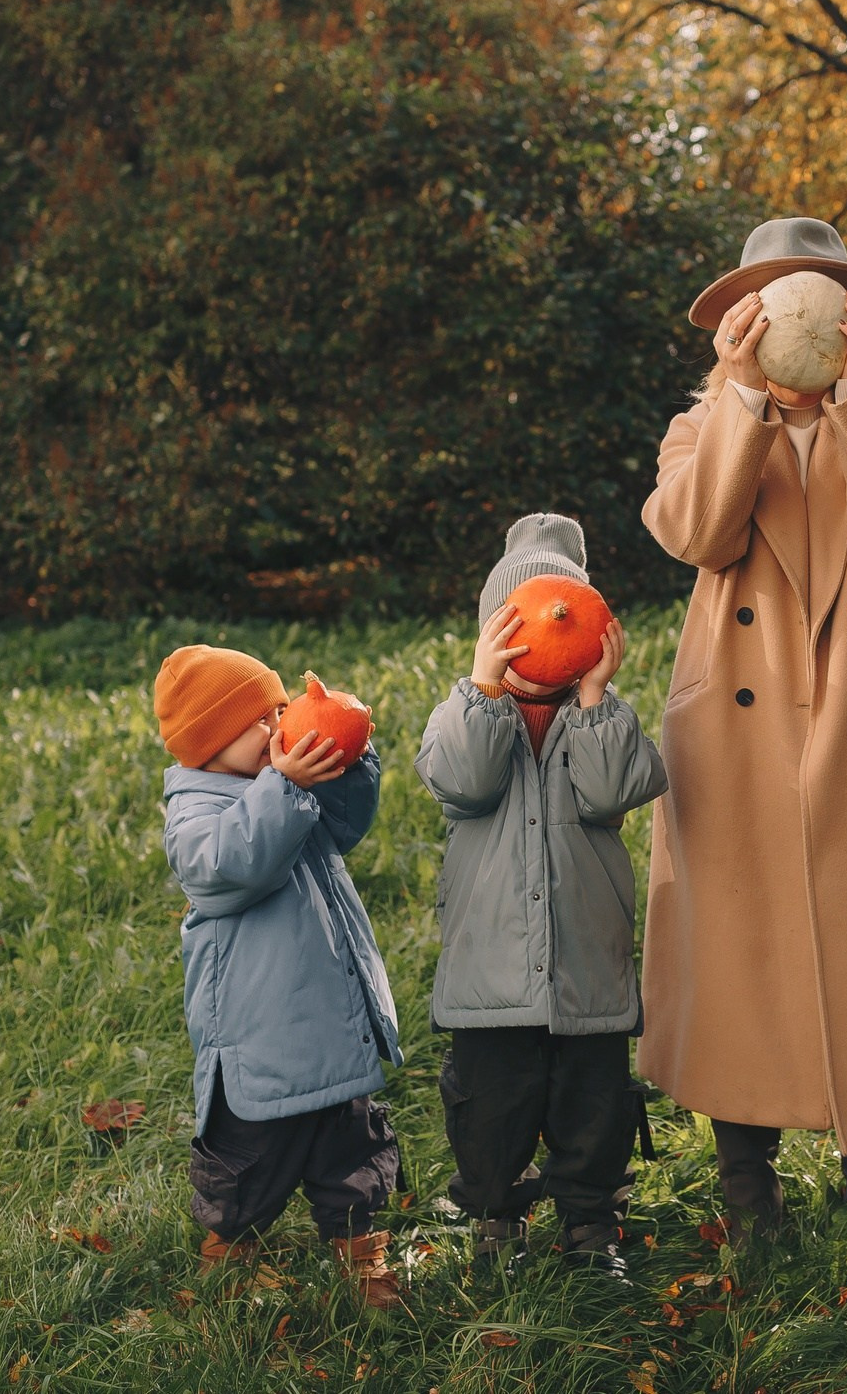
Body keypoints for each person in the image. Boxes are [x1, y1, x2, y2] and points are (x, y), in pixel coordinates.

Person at [639, 216, 847, 1228]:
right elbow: (694, 531)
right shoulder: (702, 427)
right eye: (771, 296)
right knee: (741, 953)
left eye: (816, 293)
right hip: (740, 727)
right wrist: (745, 399)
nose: (794, 314)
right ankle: (749, 1189)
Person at [414, 513, 668, 1277]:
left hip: (586, 970)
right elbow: (463, 779)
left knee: (594, 1109)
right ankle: (494, 1217)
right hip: (490, 977)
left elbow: (614, 791)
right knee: (490, 1110)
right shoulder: (465, 712)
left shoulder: (602, 717)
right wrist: (485, 686)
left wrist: (594, 698)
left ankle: (591, 1224)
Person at [155, 643, 404, 1305]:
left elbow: (346, 824)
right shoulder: (196, 811)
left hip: (331, 1018)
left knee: (352, 1149)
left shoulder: (288, 782)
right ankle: (229, 1256)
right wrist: (285, 785)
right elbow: (228, 864)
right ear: (210, 740)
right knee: (249, 1158)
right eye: (260, 719)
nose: (278, 726)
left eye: (279, 709)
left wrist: (345, 757)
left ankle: (363, 1258)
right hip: (261, 1036)